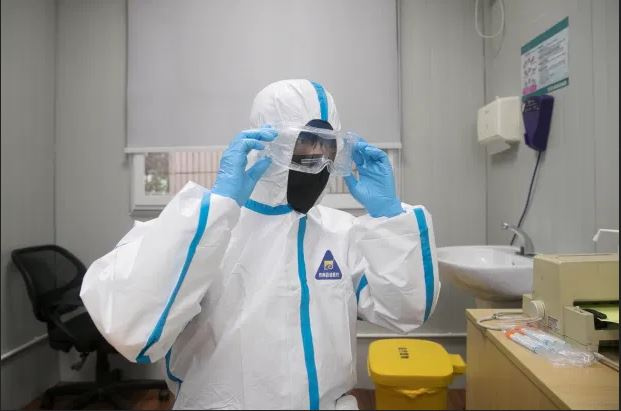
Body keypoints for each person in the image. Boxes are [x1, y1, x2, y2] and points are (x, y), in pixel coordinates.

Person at [80, 79, 440, 410]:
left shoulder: (341, 232)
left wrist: (390, 217)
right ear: (269, 141)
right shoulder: (202, 231)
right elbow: (133, 328)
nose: (318, 157)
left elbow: (405, 311)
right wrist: (218, 207)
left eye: (328, 145)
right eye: (305, 142)